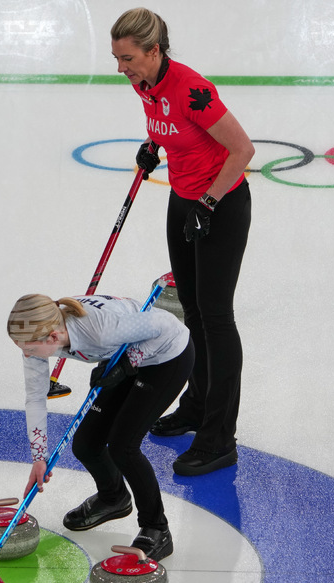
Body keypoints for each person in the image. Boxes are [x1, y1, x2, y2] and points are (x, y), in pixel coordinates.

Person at [111, 7, 255, 476]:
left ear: (155, 51)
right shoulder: (144, 84)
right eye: (117, 57)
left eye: (128, 57)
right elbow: (171, 128)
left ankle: (219, 437)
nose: (121, 68)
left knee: (216, 317)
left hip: (221, 204)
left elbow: (242, 149)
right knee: (190, 310)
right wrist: (154, 145)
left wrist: (210, 203)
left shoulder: (192, 89)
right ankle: (195, 405)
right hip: (184, 199)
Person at [7, 293, 194, 561]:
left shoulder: (100, 329)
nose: (26, 354)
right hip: (124, 355)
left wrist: (130, 361)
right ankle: (113, 497)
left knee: (123, 447)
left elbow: (167, 326)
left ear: (53, 338)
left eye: (30, 349)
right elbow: (36, 398)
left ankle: (157, 528)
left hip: (167, 356)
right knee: (86, 444)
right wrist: (39, 457)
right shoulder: (42, 331)